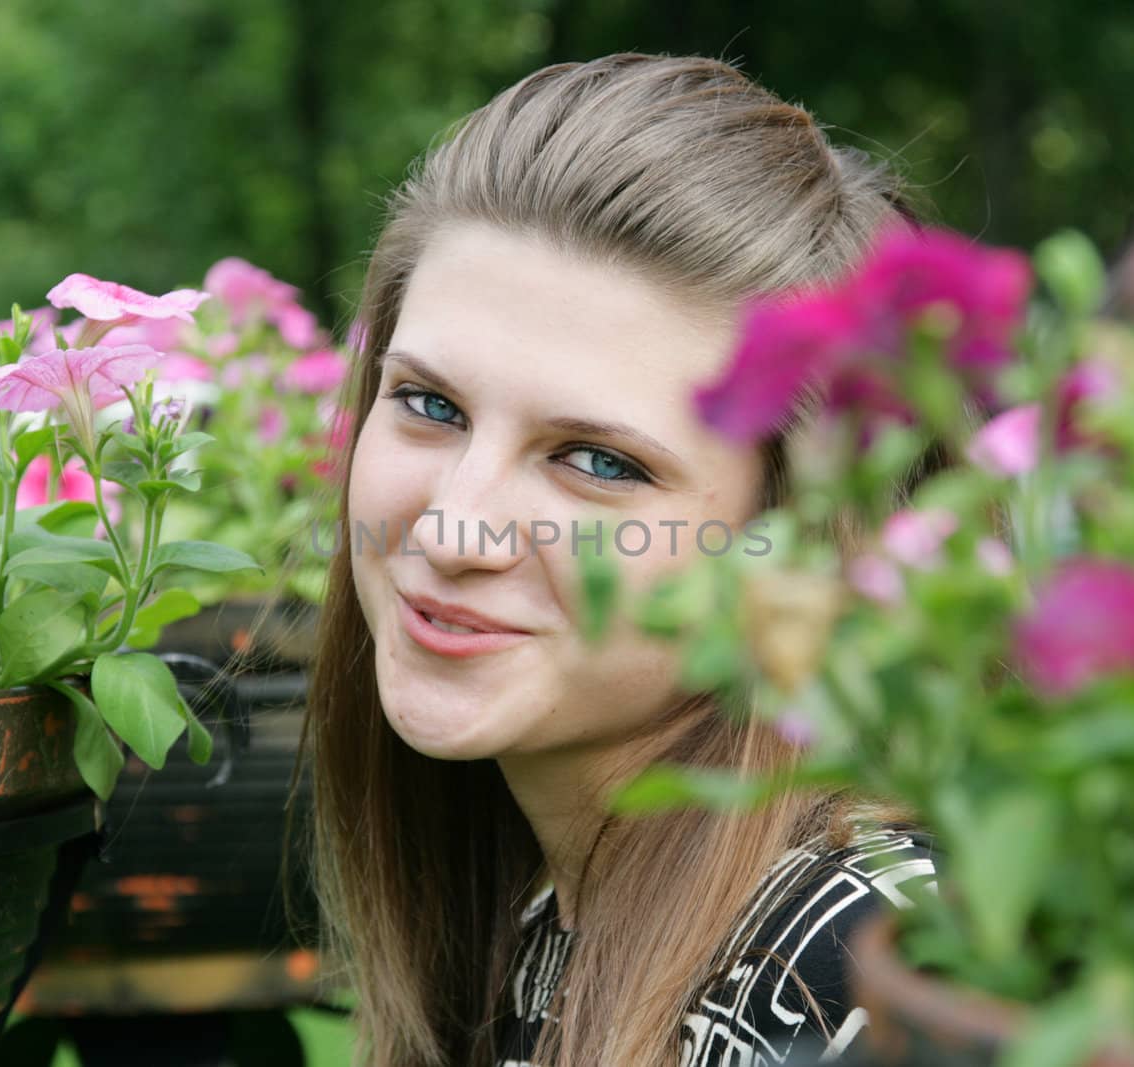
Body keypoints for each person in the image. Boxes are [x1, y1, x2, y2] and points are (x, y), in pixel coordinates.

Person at [295, 53, 938, 1067]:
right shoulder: (552, 904)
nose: (456, 527)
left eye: (598, 461)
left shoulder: (862, 977)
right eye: (428, 403)